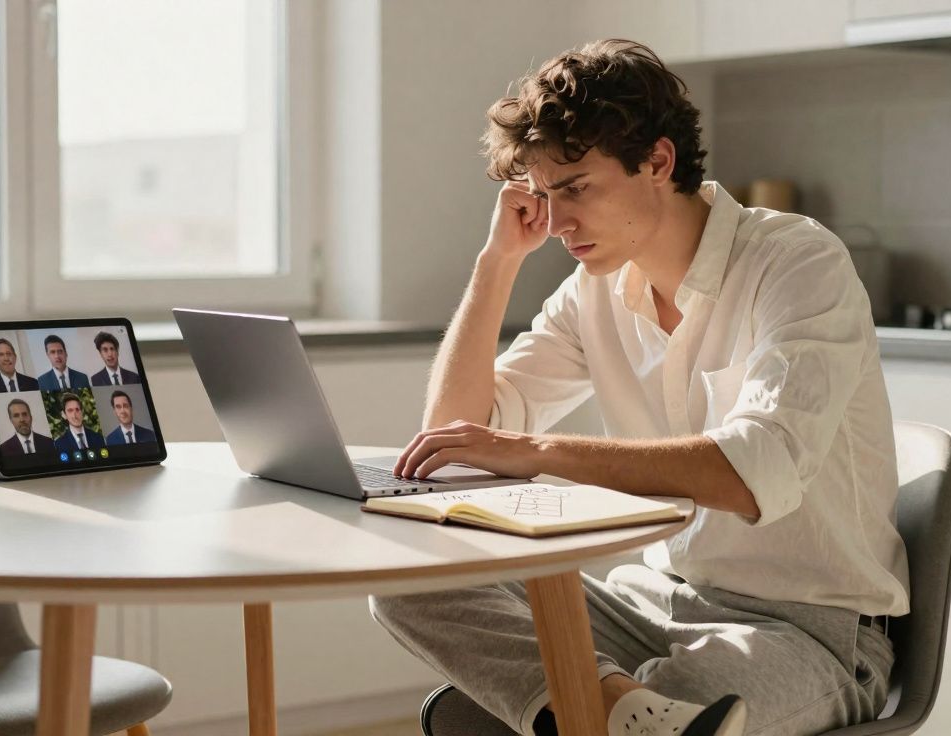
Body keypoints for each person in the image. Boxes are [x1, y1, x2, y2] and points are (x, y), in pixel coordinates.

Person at [369, 39, 906, 736]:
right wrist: (496, 263)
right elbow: (458, 438)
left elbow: (753, 472)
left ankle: (607, 706)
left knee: (666, 698)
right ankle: (617, 705)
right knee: (412, 578)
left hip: (809, 630)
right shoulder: (591, 292)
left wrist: (530, 450)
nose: (557, 224)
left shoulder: (795, 262)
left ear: (657, 161)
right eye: (543, 196)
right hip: (656, 603)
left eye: (576, 189)